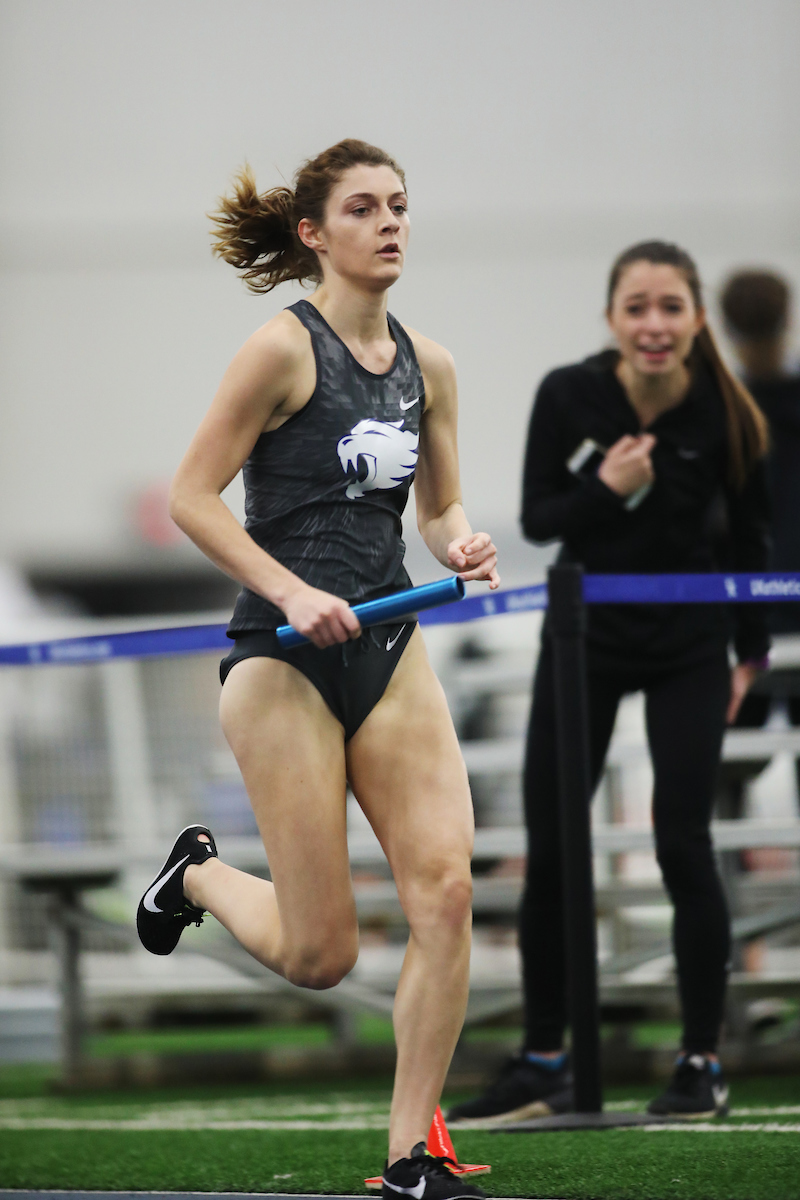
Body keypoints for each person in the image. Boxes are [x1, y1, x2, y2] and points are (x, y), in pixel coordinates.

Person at [135, 139, 499, 1198]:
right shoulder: (278, 352)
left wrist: (462, 543)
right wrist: (291, 592)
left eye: (398, 206)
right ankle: (195, 873)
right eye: (362, 209)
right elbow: (191, 498)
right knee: (319, 955)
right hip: (282, 657)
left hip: (388, 643)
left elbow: (434, 507)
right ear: (313, 234)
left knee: (445, 891)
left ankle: (405, 1162)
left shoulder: (430, 365)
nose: (389, 224)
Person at [447, 240, 770, 1126]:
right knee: (551, 851)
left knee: (681, 843)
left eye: (671, 307)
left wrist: (752, 655)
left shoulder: (727, 413)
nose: (654, 324)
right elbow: (544, 518)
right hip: (583, 641)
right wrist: (607, 482)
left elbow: (751, 542)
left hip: (691, 649)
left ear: (697, 318)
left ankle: (701, 1063)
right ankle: (544, 1060)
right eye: (637, 307)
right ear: (612, 319)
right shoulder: (568, 394)